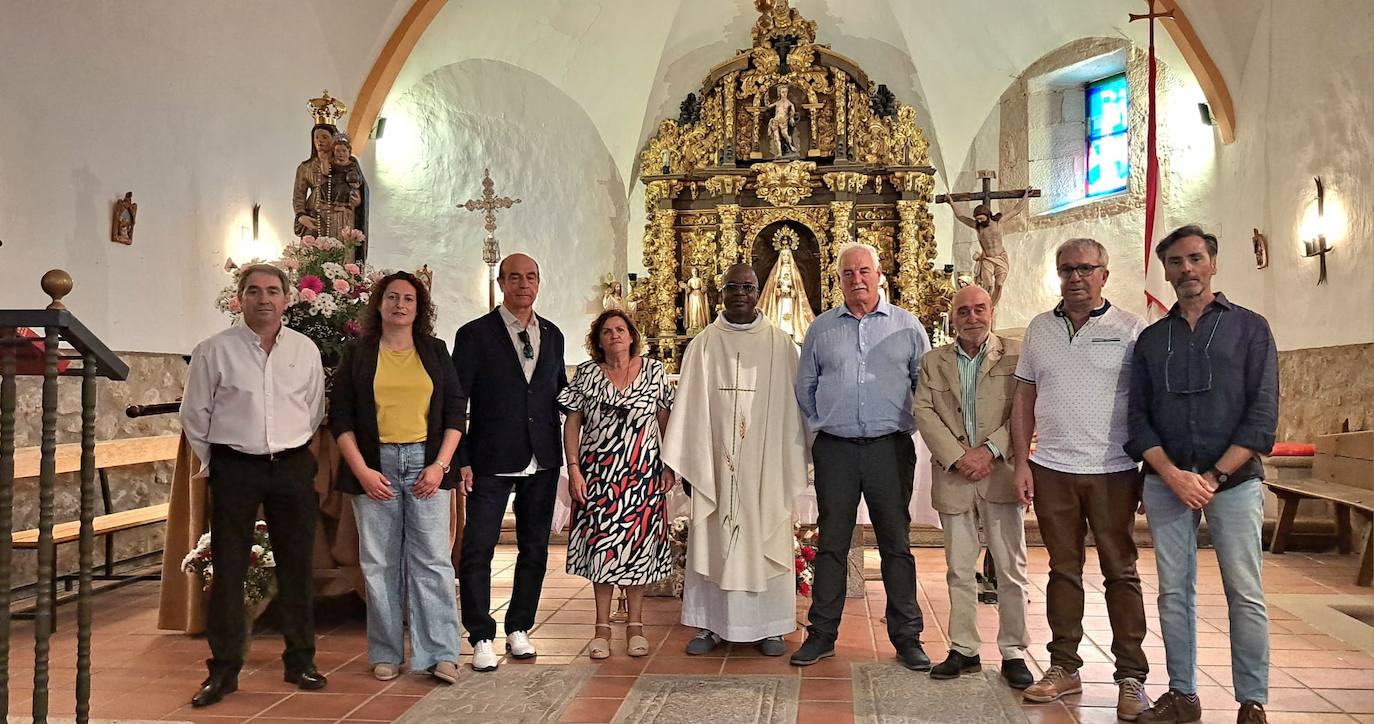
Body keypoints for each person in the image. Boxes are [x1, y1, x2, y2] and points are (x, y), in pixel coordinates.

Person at [1127, 226, 1278, 724]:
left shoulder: (1250, 329)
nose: (1185, 269)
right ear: (1165, 271)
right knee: (1174, 590)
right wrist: (1171, 474)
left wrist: (1211, 476)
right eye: (1175, 261)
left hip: (1233, 481)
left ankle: (1251, 700)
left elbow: (1261, 417)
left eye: (1194, 258)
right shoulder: (1151, 339)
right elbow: (1138, 418)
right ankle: (1183, 694)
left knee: (1244, 590)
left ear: (1212, 263)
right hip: (1169, 482)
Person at [1010, 238, 1151, 720]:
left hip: (1113, 469)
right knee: (1062, 571)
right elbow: (1024, 399)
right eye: (1067, 269)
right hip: (1052, 467)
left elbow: (1147, 403)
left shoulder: (1132, 328)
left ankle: (1131, 676)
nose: (1075, 277)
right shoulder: (1038, 330)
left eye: (1085, 269)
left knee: (1121, 571)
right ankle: (1064, 665)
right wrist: (1022, 461)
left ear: (1104, 275)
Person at [180, 263, 326, 707]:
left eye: (273, 291)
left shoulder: (305, 350)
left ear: (287, 299)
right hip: (235, 467)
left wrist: (291, 451)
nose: (264, 299)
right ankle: (223, 671)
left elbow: (314, 409)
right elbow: (195, 414)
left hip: (292, 467)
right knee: (228, 569)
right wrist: (219, 463)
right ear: (238, 298)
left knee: (298, 566)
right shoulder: (214, 350)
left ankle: (300, 660)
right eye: (254, 291)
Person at [792, 242, 932, 671]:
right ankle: (821, 634)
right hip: (835, 449)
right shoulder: (820, 329)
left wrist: (901, 425)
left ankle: (907, 637)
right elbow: (806, 386)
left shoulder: (908, 327)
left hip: (889, 449)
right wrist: (827, 422)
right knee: (832, 542)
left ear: (879, 274)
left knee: (895, 542)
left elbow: (922, 386)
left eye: (864, 271)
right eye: (848, 273)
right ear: (839, 280)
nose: (857, 279)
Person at [661, 264, 808, 657]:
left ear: (759, 291)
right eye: (733, 286)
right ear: (720, 292)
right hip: (715, 466)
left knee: (765, 533)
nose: (741, 292)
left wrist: (790, 461)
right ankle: (710, 624)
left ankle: (771, 625)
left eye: (748, 286)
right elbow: (689, 409)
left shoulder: (781, 345)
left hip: (765, 466)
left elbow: (795, 413)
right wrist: (690, 464)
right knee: (714, 537)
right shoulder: (703, 345)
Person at [330, 271, 465, 684]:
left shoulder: (436, 351)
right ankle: (386, 652)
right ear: (379, 303)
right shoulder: (358, 353)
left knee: (434, 561)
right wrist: (363, 471)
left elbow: (456, 414)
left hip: (427, 465)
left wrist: (440, 465)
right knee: (379, 563)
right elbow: (341, 418)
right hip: (375, 468)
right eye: (392, 297)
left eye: (408, 299)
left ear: (419, 308)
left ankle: (440, 653)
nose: (400, 305)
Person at [913, 285, 1032, 689]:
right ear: (952, 317)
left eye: (979, 309)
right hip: (955, 476)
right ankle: (964, 648)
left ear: (991, 311)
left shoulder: (1016, 354)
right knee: (958, 570)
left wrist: (990, 451)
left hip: (999, 474)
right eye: (963, 311)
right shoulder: (934, 361)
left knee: (1011, 570)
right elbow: (924, 410)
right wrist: (957, 455)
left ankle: (1014, 650)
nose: (972, 317)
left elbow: (1026, 409)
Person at [452, 253, 567, 672]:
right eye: (514, 277)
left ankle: (519, 627)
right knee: (478, 547)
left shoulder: (553, 335)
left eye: (531, 276)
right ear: (501, 283)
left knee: (534, 548)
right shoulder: (474, 334)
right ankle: (481, 634)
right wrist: (460, 458)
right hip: (490, 457)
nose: (523, 284)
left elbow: (559, 394)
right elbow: (455, 400)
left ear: (539, 283)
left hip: (542, 457)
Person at [559, 310, 676, 659]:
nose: (614, 335)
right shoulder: (586, 374)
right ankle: (601, 627)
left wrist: (670, 465)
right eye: (607, 331)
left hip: (643, 475)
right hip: (599, 476)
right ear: (598, 339)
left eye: (620, 329)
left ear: (631, 335)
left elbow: (667, 420)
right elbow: (572, 424)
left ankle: (636, 625)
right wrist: (574, 469)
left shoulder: (654, 371)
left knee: (638, 550)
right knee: (602, 550)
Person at [944, 190, 1031, 306]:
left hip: (1000, 258)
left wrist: (1026, 196)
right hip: (988, 260)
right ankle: (985, 305)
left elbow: (1016, 210)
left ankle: (991, 306)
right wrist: (952, 203)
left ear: (987, 215)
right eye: (977, 219)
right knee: (988, 285)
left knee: (999, 284)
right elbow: (961, 217)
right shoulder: (977, 226)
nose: (979, 221)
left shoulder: (998, 222)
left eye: (981, 218)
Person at [758, 247, 816, 345]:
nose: (785, 257)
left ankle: (791, 331)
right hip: (780, 299)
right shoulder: (776, 272)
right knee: (780, 313)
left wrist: (793, 291)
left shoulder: (794, 271)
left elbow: (798, 287)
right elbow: (771, 288)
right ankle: (780, 330)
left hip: (790, 299)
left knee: (790, 313)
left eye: (787, 255)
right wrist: (778, 291)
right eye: (783, 255)